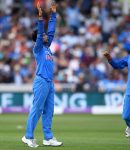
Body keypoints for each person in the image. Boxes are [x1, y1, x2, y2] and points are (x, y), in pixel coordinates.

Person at [22, 1, 63, 148]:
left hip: (49, 82)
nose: (46, 35)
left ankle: (48, 138)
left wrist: (53, 15)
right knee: (37, 110)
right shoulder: (38, 48)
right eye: (43, 35)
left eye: (45, 35)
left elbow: (51, 31)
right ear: (39, 38)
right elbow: (42, 34)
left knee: (49, 111)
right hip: (41, 81)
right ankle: (28, 136)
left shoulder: (47, 47)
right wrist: (40, 19)